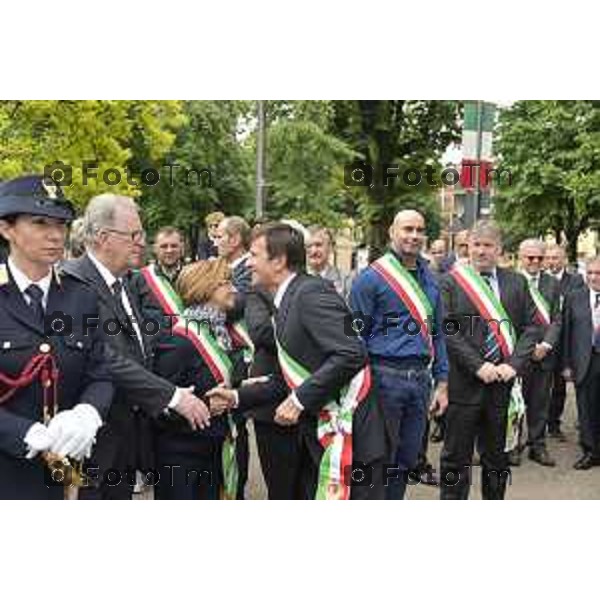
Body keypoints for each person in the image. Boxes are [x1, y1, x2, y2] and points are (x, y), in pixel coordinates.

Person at [207, 223, 388, 499]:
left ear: (278, 261)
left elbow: (352, 352)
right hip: (322, 434)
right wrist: (236, 397)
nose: (248, 264)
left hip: (354, 439)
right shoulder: (288, 299)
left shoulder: (311, 294)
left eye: (254, 255)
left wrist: (298, 400)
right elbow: (291, 375)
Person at [62, 194, 210, 499]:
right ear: (103, 238)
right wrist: (171, 397)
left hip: (128, 436)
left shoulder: (125, 281)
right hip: (95, 442)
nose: (141, 242)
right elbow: (107, 357)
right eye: (134, 235)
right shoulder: (73, 282)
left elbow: (142, 349)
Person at [0, 175, 114, 499]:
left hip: (59, 478)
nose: (55, 235)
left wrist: (88, 412)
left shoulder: (81, 297)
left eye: (61, 224)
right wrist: (20, 431)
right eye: (39, 222)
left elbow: (100, 372)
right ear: (6, 229)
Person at [350, 209, 449, 498]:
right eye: (407, 229)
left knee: (406, 460)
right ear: (393, 232)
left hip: (420, 381)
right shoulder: (370, 279)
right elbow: (354, 338)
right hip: (382, 379)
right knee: (377, 460)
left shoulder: (431, 279)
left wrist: (442, 383)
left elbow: (438, 334)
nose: (414, 236)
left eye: (419, 230)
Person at [439, 221, 539, 500]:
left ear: (500, 250)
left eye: (488, 246)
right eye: (476, 245)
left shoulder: (516, 282)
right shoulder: (450, 281)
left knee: (497, 460)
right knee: (455, 459)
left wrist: (513, 364)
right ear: (468, 247)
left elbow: (532, 327)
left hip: (502, 387)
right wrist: (477, 365)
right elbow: (447, 329)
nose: (481, 251)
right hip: (464, 386)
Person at [153, 259, 246, 499]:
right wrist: (204, 406)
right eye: (225, 283)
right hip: (182, 460)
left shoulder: (218, 332)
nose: (233, 289)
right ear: (205, 288)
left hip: (212, 451)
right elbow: (158, 406)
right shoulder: (178, 341)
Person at [514, 239, 562, 467]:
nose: (534, 262)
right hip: (519, 355)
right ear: (520, 257)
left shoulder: (553, 283)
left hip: (544, 354)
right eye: (529, 257)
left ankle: (537, 445)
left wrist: (546, 345)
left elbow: (557, 319)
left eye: (539, 258)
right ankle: (513, 445)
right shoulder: (511, 281)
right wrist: (526, 348)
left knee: (540, 403)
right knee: (516, 402)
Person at [562, 256, 600, 470]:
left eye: (598, 273)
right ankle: (590, 451)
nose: (594, 277)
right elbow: (567, 333)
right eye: (591, 273)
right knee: (585, 408)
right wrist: (566, 364)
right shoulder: (574, 298)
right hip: (583, 361)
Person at [544, 243, 585, 439]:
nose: (552, 262)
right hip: (542, 342)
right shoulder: (538, 280)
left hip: (565, 341)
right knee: (538, 387)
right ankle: (535, 425)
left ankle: (553, 424)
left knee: (560, 387)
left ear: (564, 260)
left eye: (556, 258)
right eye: (549, 258)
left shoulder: (576, 281)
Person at [306, 225, 352, 299]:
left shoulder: (345, 280)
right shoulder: (296, 280)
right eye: (308, 246)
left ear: (330, 248)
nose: (313, 251)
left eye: (318, 245)